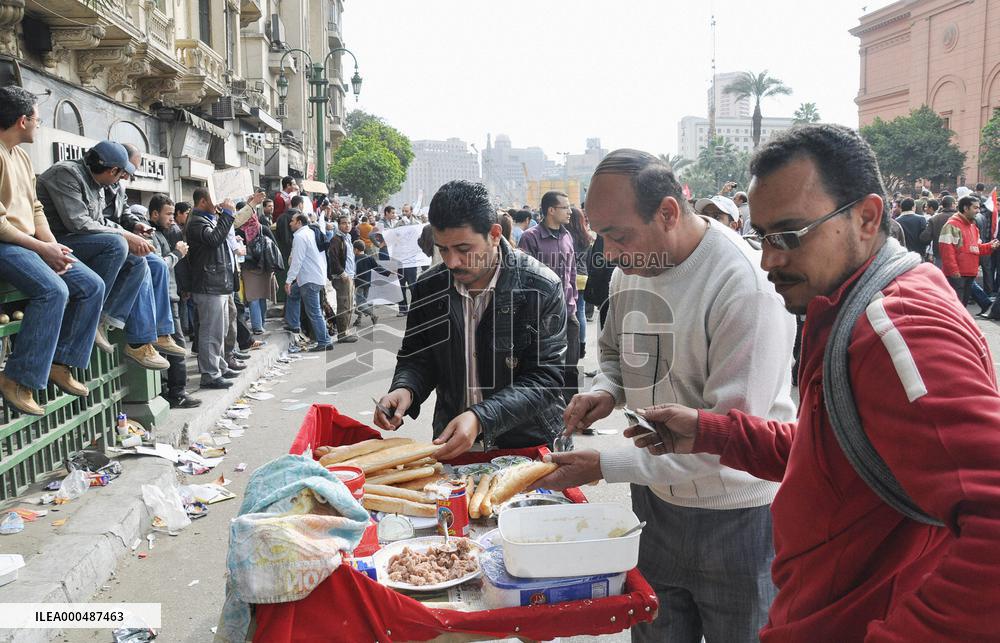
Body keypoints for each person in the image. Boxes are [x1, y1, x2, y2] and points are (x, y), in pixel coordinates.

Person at [624, 124, 1000, 641]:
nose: (769, 259)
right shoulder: (844, 310)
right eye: (762, 236)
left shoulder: (896, 328)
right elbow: (838, 453)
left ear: (866, 218)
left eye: (790, 235)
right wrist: (715, 433)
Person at [534, 149, 795, 643]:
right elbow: (613, 351)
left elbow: (727, 439)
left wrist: (606, 465)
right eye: (601, 233)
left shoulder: (743, 286)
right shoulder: (635, 268)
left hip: (737, 515)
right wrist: (607, 390)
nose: (608, 252)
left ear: (669, 213)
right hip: (654, 503)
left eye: (619, 235)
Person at [374, 180, 567, 460]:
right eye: (443, 250)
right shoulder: (429, 288)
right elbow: (417, 357)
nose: (452, 262)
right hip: (453, 442)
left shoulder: (541, 286)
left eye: (464, 249)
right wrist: (406, 389)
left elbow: (546, 379)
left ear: (494, 234)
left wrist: (480, 417)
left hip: (528, 445)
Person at [0, 85, 106, 415]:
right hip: (7, 243)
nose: (38, 124)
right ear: (21, 121)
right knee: (53, 291)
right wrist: (41, 248)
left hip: (27, 243)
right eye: (36, 118)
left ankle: (62, 362)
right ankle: (18, 378)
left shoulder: (21, 155)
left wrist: (50, 245)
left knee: (91, 286)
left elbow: (34, 209)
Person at [37, 141, 178, 371]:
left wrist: (131, 231)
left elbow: (101, 221)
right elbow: (79, 223)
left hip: (82, 241)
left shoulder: (99, 184)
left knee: (139, 262)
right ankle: (96, 319)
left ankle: (106, 322)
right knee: (117, 245)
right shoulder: (66, 173)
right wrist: (125, 235)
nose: (122, 181)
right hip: (55, 243)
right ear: (113, 171)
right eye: (121, 175)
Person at [185, 188, 259, 388]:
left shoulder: (210, 219)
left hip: (219, 282)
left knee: (221, 329)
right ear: (202, 202)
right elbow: (214, 239)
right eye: (212, 199)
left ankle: (220, 365)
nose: (218, 202)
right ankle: (210, 373)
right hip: (209, 284)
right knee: (211, 331)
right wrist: (226, 214)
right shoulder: (196, 223)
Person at [519, 190, 579, 404]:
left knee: (571, 366)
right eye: (565, 207)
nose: (570, 211)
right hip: (542, 315)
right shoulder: (530, 238)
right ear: (551, 210)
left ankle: (574, 412)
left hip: (568, 311)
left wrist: (573, 299)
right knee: (544, 367)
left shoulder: (567, 235)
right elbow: (524, 277)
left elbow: (571, 272)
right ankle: (546, 410)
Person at [147, 193, 200, 408]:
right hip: (164, 299)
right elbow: (158, 266)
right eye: (168, 214)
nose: (171, 218)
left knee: (173, 345)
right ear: (154, 214)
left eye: (172, 214)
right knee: (176, 345)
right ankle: (176, 391)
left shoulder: (163, 233)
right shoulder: (151, 235)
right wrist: (177, 254)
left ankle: (174, 389)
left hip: (171, 296)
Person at [939, 194, 998, 310]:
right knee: (957, 308)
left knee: (962, 306)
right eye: (975, 208)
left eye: (978, 207)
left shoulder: (973, 227)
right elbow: (947, 251)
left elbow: (976, 248)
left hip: (969, 273)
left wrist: (990, 246)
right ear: (965, 208)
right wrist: (954, 271)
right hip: (957, 275)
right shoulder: (952, 225)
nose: (978, 210)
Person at [285, 212, 332, 351]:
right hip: (313, 277)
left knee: (314, 312)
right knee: (293, 295)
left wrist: (288, 280)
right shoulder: (312, 233)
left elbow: (296, 261)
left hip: (309, 279)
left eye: (292, 220)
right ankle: (294, 325)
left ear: (299, 222)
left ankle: (324, 341)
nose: (290, 223)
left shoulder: (300, 236)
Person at [239, 200, 279, 335]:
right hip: (264, 267)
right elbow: (274, 247)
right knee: (262, 296)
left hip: (248, 268)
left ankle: (257, 326)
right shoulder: (263, 228)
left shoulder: (238, 231)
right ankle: (260, 324)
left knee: (253, 297)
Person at [326, 214, 359, 344]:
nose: (347, 225)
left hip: (350, 275)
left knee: (350, 305)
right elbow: (333, 259)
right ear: (339, 225)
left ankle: (345, 331)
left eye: (349, 223)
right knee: (344, 305)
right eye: (344, 223)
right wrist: (341, 273)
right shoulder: (336, 239)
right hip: (342, 278)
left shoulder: (348, 238)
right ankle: (342, 334)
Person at [567, 207, 593, 359]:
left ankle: (571, 345)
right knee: (580, 311)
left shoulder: (565, 236)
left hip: (570, 276)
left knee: (569, 312)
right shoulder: (586, 237)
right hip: (583, 276)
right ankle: (582, 346)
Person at [920, 194, 958, 267]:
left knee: (941, 276)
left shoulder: (935, 219)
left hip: (940, 255)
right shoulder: (960, 218)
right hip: (958, 255)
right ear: (953, 204)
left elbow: (925, 238)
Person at [351, 240, 379, 327]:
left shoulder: (354, 259)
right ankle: (358, 320)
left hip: (359, 284)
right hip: (367, 283)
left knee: (360, 304)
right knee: (363, 302)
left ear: (355, 249)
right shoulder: (369, 258)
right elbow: (378, 267)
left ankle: (373, 315)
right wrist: (388, 272)